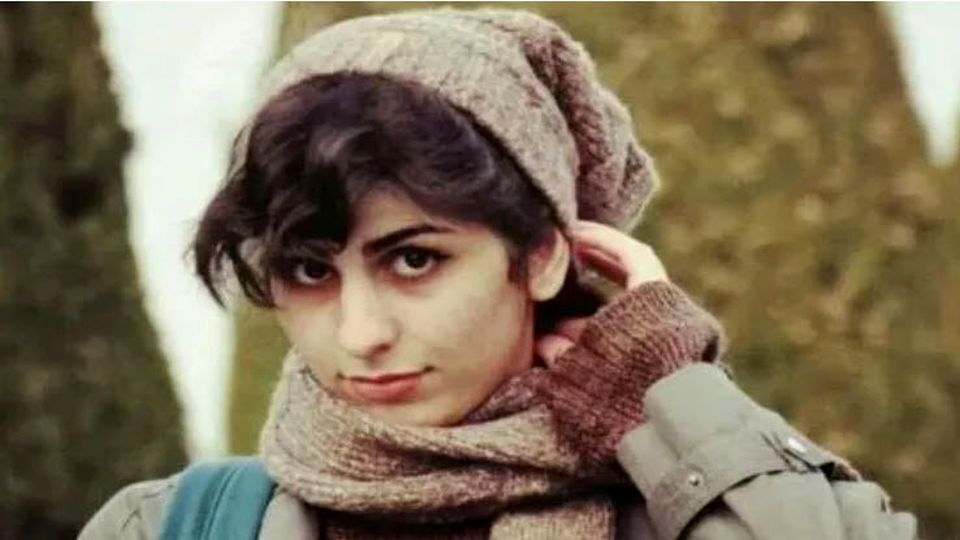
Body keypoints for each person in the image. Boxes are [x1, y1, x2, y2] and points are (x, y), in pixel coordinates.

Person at [80, 7, 919, 540]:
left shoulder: (692, 514)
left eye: (414, 259)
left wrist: (673, 398)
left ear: (545, 254)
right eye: (308, 269)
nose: (361, 334)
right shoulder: (168, 527)